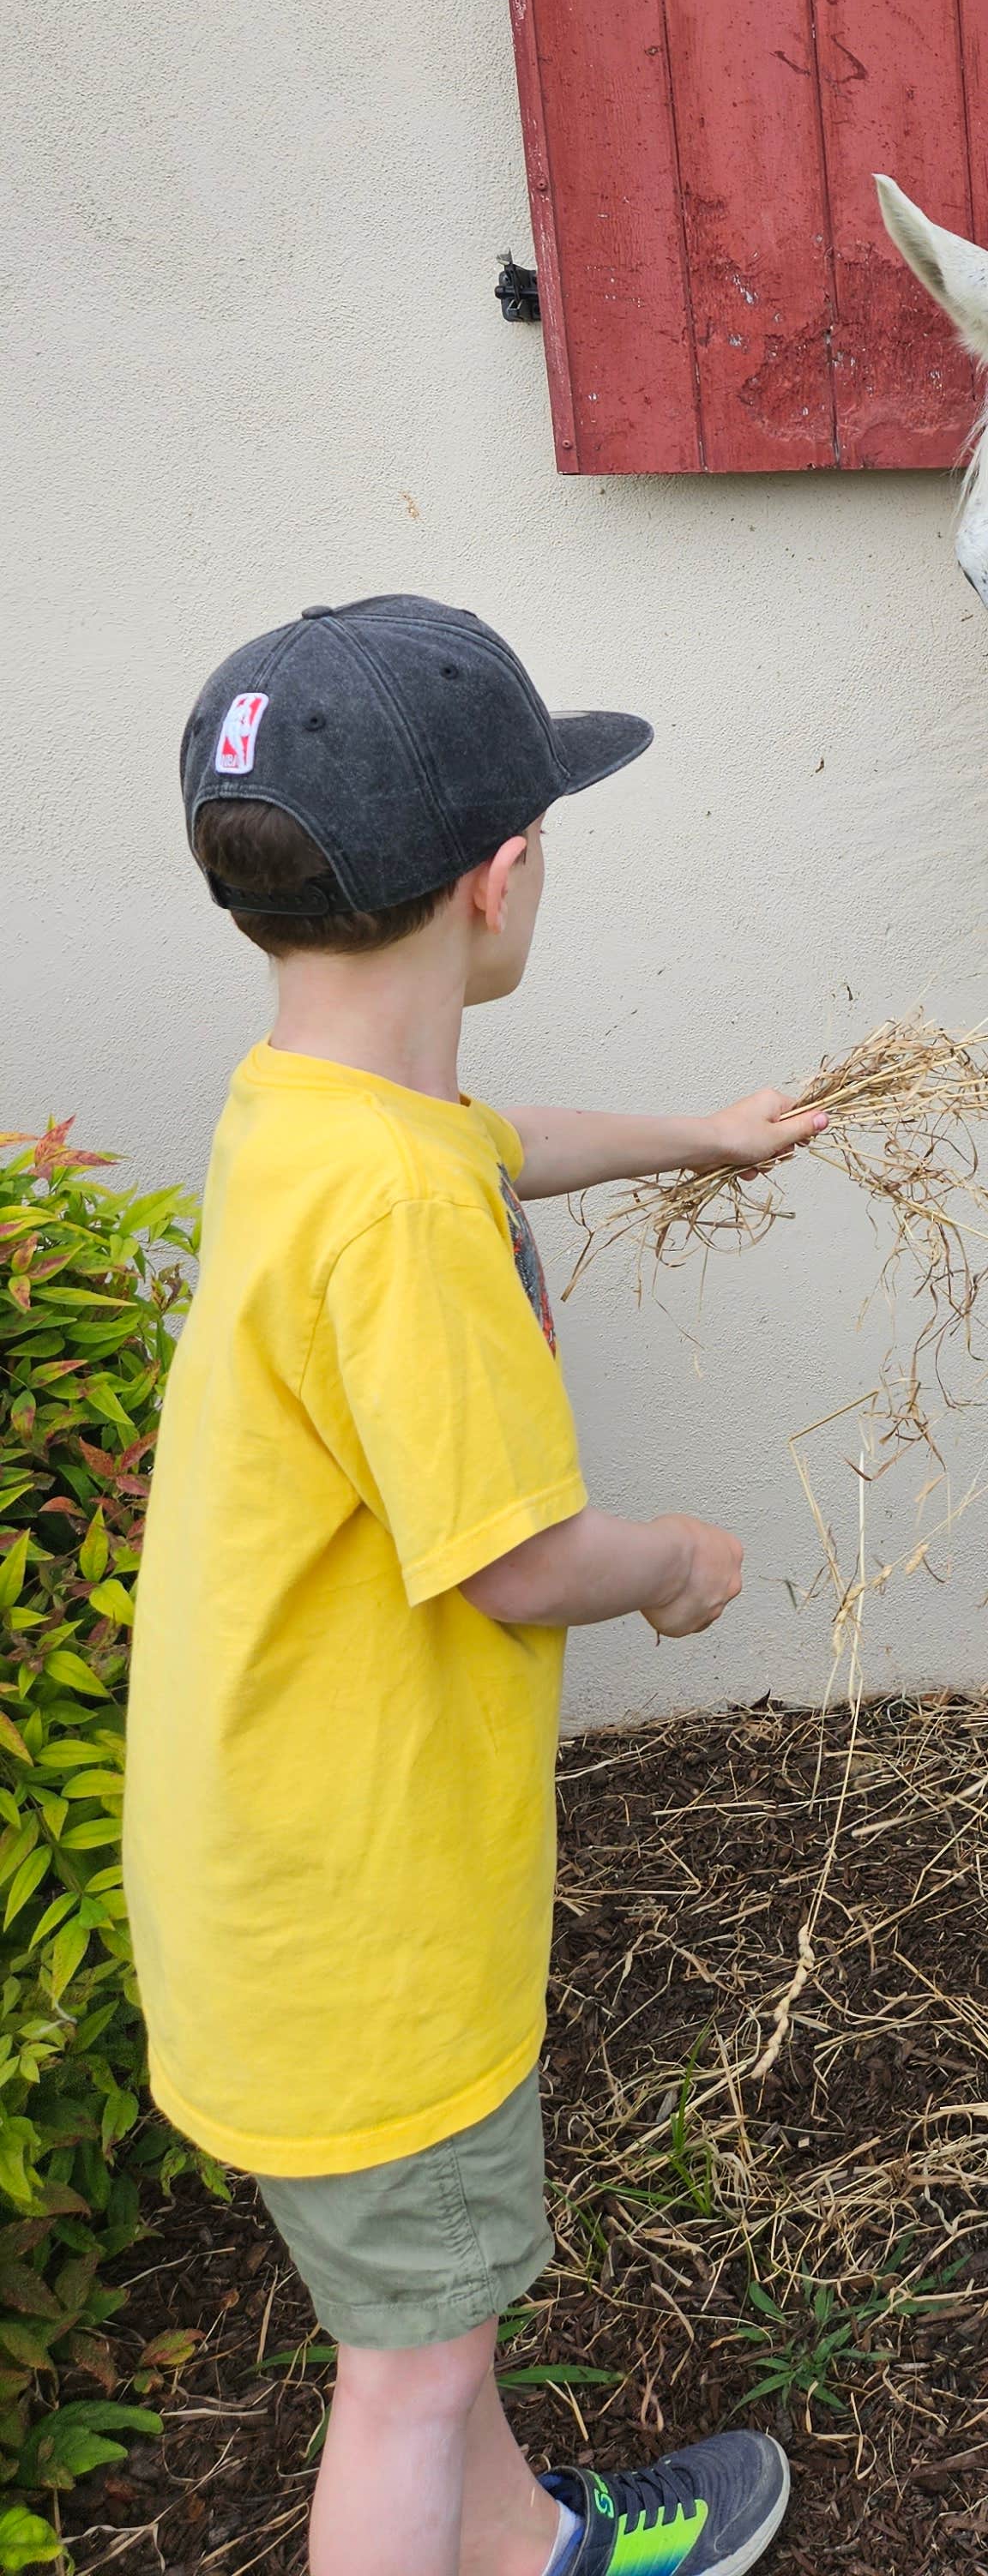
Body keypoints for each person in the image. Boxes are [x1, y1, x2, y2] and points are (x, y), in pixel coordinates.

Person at [125, 596, 827, 2576]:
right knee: (409, 2376)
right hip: (364, 1928)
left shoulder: (312, 1112)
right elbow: (517, 1556)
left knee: (435, 2309)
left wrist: (699, 1132)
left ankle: (523, 2542)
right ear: (499, 877)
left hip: (267, 1864)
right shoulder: (397, 1212)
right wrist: (677, 1563)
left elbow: (487, 1145)